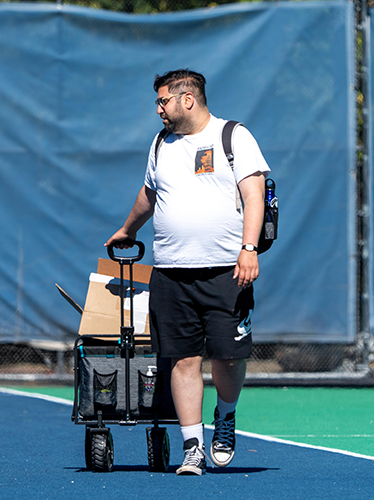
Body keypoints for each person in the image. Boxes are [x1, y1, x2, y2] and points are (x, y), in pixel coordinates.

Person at [105, 69, 270, 476]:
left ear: (188, 99)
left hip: (227, 273)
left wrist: (248, 249)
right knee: (182, 359)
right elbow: (150, 192)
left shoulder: (233, 136)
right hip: (171, 273)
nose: (159, 109)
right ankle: (192, 445)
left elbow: (254, 195)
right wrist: (128, 229)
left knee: (228, 359)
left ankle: (225, 418)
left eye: (164, 101)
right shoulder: (161, 143)